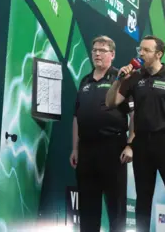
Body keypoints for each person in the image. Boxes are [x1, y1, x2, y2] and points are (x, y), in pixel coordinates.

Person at [105, 35, 165, 232]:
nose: (141, 54)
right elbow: (111, 102)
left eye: (146, 50)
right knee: (142, 200)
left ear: (158, 54)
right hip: (142, 143)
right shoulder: (134, 78)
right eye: (140, 50)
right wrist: (119, 81)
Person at [70, 35, 134, 232]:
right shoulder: (85, 81)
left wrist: (130, 145)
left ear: (112, 55)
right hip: (87, 151)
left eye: (102, 50)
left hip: (113, 148)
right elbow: (76, 117)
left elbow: (135, 115)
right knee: (88, 210)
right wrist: (75, 148)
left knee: (116, 210)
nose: (97, 54)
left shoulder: (121, 79)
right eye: (94, 50)